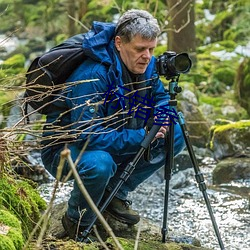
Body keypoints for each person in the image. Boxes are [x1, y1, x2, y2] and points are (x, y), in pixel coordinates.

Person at [41, 9, 185, 241]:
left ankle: (115, 193)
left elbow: (159, 98)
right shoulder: (92, 75)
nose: (147, 56)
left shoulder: (145, 65)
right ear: (119, 43)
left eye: (151, 49)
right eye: (140, 49)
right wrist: (143, 135)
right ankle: (76, 221)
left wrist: (163, 119)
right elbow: (87, 136)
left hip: (116, 135)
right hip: (66, 150)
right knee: (100, 164)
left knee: (176, 131)